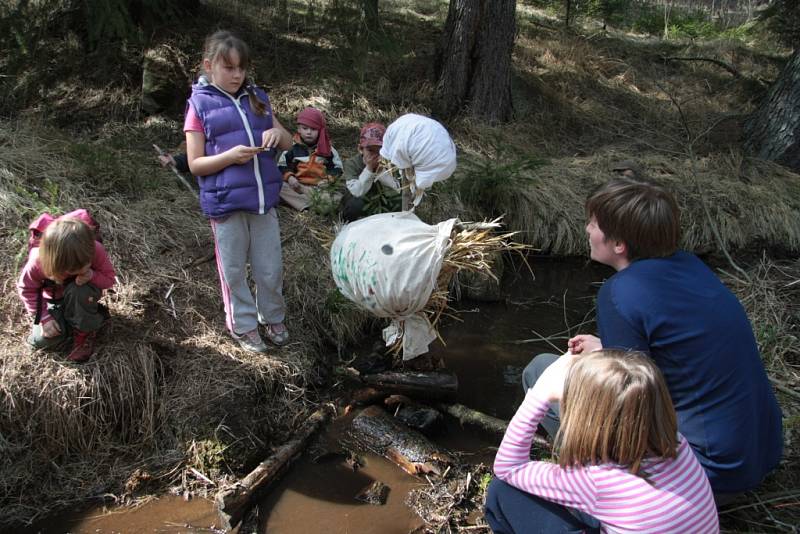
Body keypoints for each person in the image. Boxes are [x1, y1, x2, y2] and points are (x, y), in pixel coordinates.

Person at [522, 177, 783, 505]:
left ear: (619, 244)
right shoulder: (692, 267)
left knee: (539, 371)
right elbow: (678, 354)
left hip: (703, 478)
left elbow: (623, 403)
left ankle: (590, 482)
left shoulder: (620, 293)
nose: (587, 228)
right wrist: (606, 351)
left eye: (594, 223)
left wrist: (592, 367)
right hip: (756, 457)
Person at [486, 350, 719, 533]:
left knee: (501, 492)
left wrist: (540, 394)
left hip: (602, 493)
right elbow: (627, 391)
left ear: (588, 420)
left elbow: (508, 467)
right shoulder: (678, 445)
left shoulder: (596, 482)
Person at [185, 30, 292, 352]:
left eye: (241, 68)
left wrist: (276, 132)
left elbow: (287, 142)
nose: (237, 75)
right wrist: (229, 158)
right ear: (209, 65)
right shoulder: (199, 106)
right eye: (229, 68)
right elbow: (195, 164)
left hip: (262, 201)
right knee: (233, 271)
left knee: (269, 268)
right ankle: (242, 325)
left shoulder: (257, 97)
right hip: (226, 204)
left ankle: (272, 317)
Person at [17, 212, 116, 362]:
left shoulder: (94, 250)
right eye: (71, 271)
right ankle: (92, 317)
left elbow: (109, 280)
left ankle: (85, 331)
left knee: (78, 289)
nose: (80, 270)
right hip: (54, 301)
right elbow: (27, 289)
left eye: (85, 265)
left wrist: (91, 275)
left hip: (81, 294)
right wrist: (44, 318)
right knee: (41, 341)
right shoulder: (38, 261)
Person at [277, 107, 343, 211]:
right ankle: (312, 206)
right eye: (305, 128)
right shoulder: (291, 147)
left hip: (320, 188)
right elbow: (282, 165)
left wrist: (328, 180)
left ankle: (304, 204)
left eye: (313, 129)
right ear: (299, 129)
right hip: (297, 187)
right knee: (278, 187)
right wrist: (290, 178)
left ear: (320, 130)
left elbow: (337, 168)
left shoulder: (328, 149)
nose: (308, 132)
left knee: (338, 198)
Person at [340, 122, 401, 222]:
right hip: (361, 200)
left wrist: (381, 171)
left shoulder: (390, 163)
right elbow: (356, 191)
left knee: (400, 201)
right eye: (370, 150)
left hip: (381, 202)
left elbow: (396, 189)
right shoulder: (352, 164)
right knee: (354, 205)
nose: (375, 155)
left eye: (379, 151)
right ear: (360, 149)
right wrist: (369, 169)